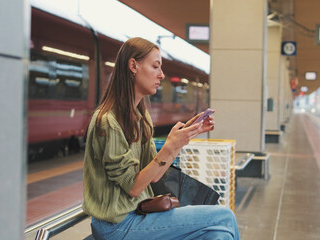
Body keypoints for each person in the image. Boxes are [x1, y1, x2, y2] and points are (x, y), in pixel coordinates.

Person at [82, 37, 240, 240]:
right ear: (133, 66)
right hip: (117, 226)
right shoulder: (107, 122)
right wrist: (169, 148)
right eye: (155, 66)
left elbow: (153, 176)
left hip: (139, 214)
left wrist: (181, 140)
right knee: (225, 216)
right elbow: (134, 187)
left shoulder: (141, 118)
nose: (162, 75)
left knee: (219, 235)